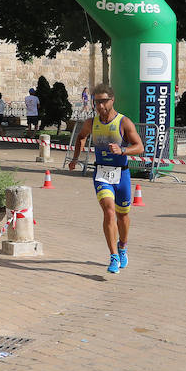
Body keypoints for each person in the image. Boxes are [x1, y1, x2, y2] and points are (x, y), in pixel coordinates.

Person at [68, 83, 144, 275]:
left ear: (112, 100)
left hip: (122, 174)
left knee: (123, 216)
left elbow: (140, 146)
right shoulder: (91, 123)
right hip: (102, 173)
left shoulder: (123, 122)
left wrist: (123, 150)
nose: (100, 106)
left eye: (103, 102)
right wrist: (76, 158)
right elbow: (81, 137)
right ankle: (113, 256)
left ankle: (123, 246)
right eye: (96, 102)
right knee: (109, 212)